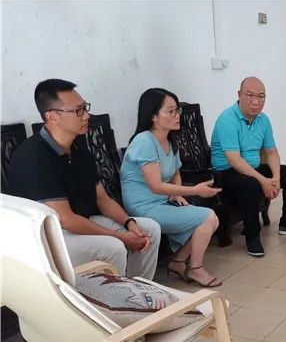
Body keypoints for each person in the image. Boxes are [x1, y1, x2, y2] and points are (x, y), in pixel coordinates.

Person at [7, 79, 160, 279]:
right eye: (78, 111)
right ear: (53, 116)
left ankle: (138, 290)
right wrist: (121, 237)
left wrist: (129, 223)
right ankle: (116, 297)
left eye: (85, 108)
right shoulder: (34, 156)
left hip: (82, 221)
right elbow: (65, 219)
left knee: (149, 230)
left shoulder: (78, 148)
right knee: (114, 247)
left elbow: (102, 198)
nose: (86, 115)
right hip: (47, 236)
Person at [121, 88, 223, 287]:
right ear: (153, 116)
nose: (177, 116)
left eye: (177, 110)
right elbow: (156, 186)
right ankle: (194, 268)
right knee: (208, 217)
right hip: (143, 207)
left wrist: (176, 193)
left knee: (211, 220)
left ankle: (178, 262)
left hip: (161, 201)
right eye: (171, 111)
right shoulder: (144, 141)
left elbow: (176, 171)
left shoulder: (169, 139)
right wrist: (195, 190)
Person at [210, 77, 286, 257]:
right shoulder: (227, 119)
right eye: (250, 95)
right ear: (239, 95)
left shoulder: (263, 120)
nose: (256, 102)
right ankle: (252, 236)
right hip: (226, 173)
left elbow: (272, 152)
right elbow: (234, 160)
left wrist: (276, 178)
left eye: (261, 96)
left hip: (252, 168)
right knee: (251, 184)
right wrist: (263, 181)